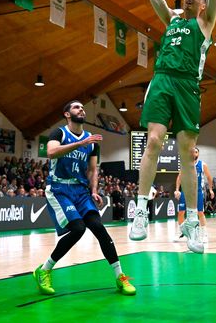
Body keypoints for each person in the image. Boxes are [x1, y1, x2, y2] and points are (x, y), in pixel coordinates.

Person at [128, 0, 216, 255]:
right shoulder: (172, 20)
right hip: (163, 80)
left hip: (187, 85)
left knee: (187, 152)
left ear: (204, 5)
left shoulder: (204, 24)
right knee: (153, 141)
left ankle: (192, 221)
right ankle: (141, 210)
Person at [33, 101, 135, 296]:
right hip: (59, 188)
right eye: (76, 108)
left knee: (99, 228)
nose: (82, 109)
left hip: (81, 191)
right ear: (67, 114)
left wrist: (94, 190)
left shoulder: (91, 141)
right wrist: (80, 144)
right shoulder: (59, 133)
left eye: (83, 108)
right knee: (78, 229)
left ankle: (120, 277)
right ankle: (44, 269)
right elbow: (51, 152)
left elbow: (92, 169)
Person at [174, 147, 214, 242]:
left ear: (198, 154)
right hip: (185, 191)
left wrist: (211, 189)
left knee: (200, 212)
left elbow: (209, 177)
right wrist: (177, 189)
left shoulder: (202, 165)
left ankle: (204, 234)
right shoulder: (185, 164)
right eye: (192, 152)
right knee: (181, 213)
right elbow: (179, 177)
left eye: (196, 152)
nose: (194, 154)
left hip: (198, 192)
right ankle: (182, 233)